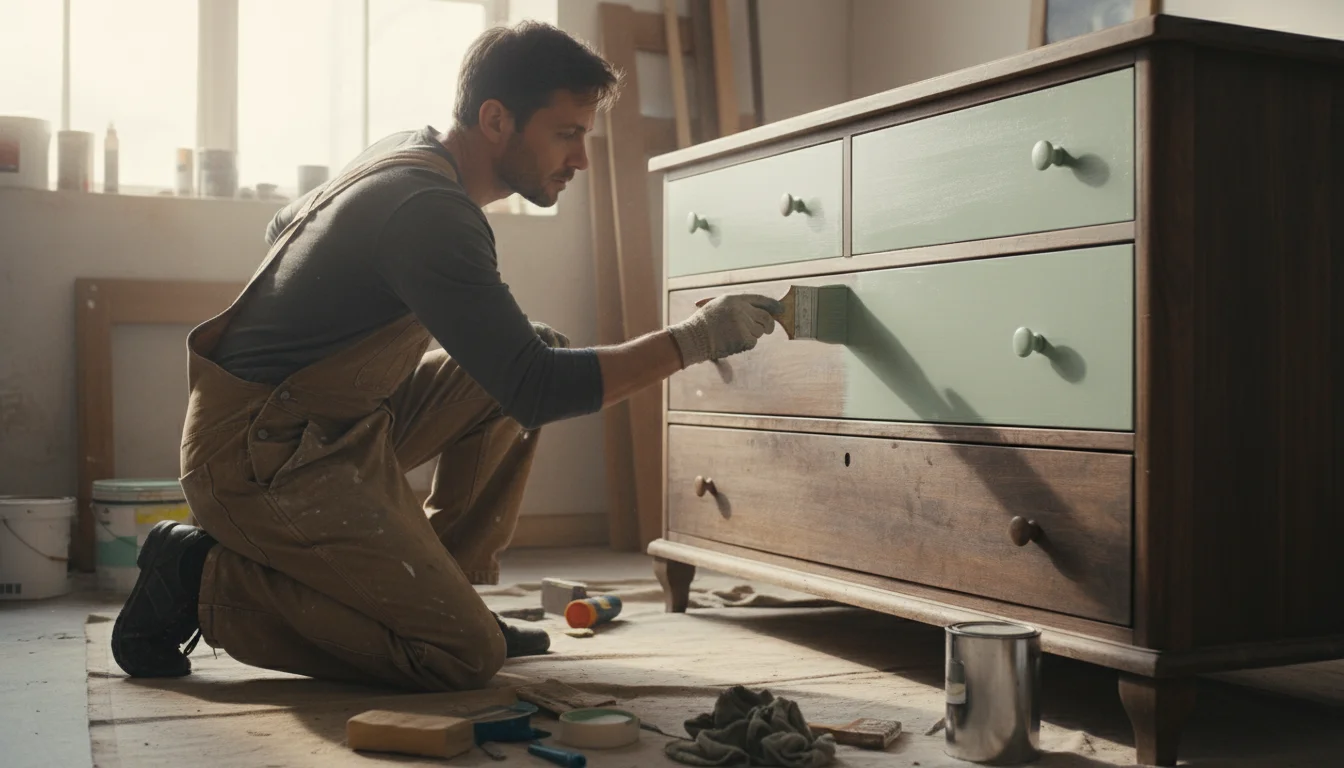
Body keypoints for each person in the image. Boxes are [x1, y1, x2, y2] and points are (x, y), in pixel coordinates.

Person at [110, 21, 782, 691]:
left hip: (325, 422)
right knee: (460, 657)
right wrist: (694, 341)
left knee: (533, 347)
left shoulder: (410, 154)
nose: (581, 158)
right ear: (496, 119)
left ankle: (439, 591)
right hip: (258, 457)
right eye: (567, 132)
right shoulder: (430, 210)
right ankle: (200, 577)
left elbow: (283, 223)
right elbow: (538, 390)